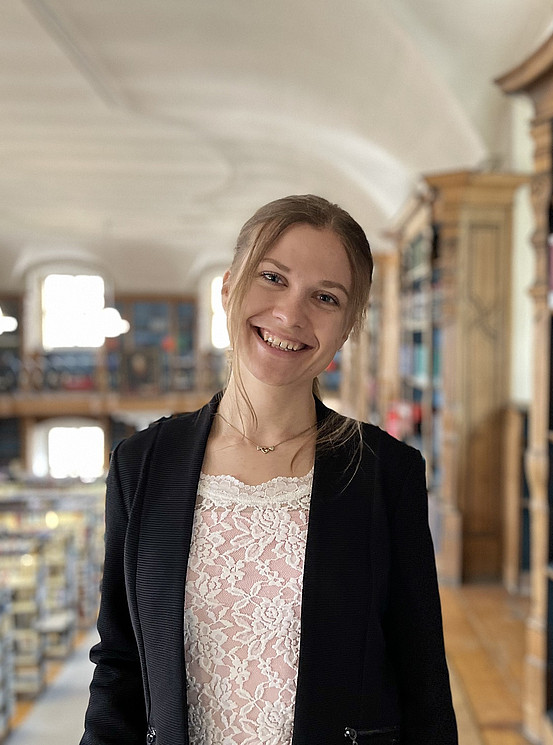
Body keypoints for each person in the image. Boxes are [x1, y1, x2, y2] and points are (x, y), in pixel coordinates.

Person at [80, 195, 457, 745]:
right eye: (273, 278)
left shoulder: (385, 473)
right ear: (229, 288)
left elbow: (423, 681)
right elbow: (118, 665)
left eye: (325, 297)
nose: (291, 314)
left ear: (348, 327)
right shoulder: (141, 464)